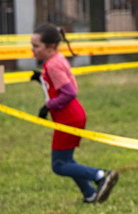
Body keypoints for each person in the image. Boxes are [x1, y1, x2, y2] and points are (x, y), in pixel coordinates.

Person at [31, 23, 119, 204]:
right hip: (72, 115)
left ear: (51, 46)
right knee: (67, 160)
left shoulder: (53, 65)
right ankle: (90, 194)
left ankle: (100, 175)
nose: (32, 50)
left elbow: (70, 92)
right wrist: (41, 78)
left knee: (59, 165)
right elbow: (59, 85)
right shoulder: (56, 59)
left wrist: (47, 106)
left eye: (36, 46)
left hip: (68, 117)